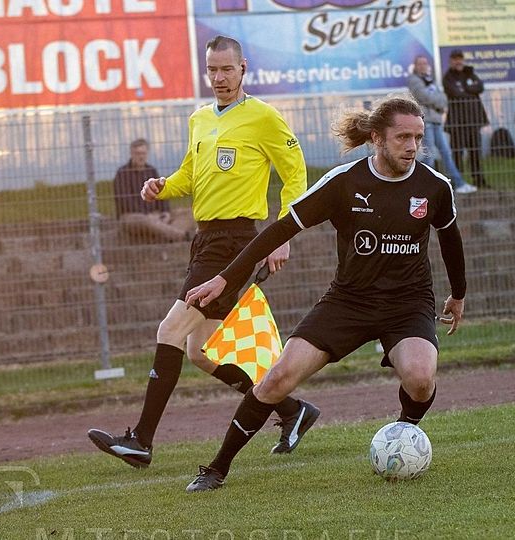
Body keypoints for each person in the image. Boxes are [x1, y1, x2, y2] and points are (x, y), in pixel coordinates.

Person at [182, 96, 467, 492]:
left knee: (421, 378)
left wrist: (458, 293)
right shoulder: (344, 182)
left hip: (408, 303)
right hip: (348, 302)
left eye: (417, 137)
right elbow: (279, 230)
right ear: (376, 138)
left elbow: (450, 239)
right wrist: (225, 280)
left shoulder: (435, 186)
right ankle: (216, 469)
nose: (412, 146)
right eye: (403, 137)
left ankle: (402, 436)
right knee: (276, 380)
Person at [87, 35, 319, 469]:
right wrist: (162, 188)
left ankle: (141, 440)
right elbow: (191, 176)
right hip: (204, 241)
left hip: (235, 243)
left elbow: (295, 175)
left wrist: (283, 235)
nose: (219, 77)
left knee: (169, 330)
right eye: (212, 69)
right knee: (200, 353)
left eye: (227, 69)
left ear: (243, 68)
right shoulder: (199, 119)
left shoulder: (264, 118)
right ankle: (292, 410)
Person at [408, 55, 477, 194]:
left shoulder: (431, 80)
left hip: (437, 121)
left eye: (425, 63)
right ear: (415, 66)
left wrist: (437, 102)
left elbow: (443, 97)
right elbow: (423, 97)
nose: (423, 65)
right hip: (425, 122)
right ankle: (424, 186)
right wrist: (438, 102)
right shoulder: (414, 80)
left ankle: (458, 184)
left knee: (446, 153)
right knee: (430, 155)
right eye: (420, 63)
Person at [113, 139, 191, 242]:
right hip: (133, 217)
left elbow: (162, 193)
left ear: (147, 154)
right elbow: (124, 201)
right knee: (145, 221)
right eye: (137, 153)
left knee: (188, 213)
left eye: (143, 153)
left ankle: (165, 234)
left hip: (156, 215)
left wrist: (165, 212)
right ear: (131, 154)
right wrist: (148, 215)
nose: (141, 156)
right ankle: (180, 236)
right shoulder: (122, 173)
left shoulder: (151, 170)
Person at [442, 50, 489, 188]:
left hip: (474, 120)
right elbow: (455, 93)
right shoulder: (448, 77)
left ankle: (479, 180)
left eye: (460, 59)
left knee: (475, 151)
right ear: (451, 61)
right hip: (458, 122)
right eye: (455, 59)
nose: (458, 62)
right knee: (458, 153)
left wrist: (465, 88)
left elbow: (480, 87)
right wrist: (470, 91)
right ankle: (458, 183)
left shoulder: (470, 73)